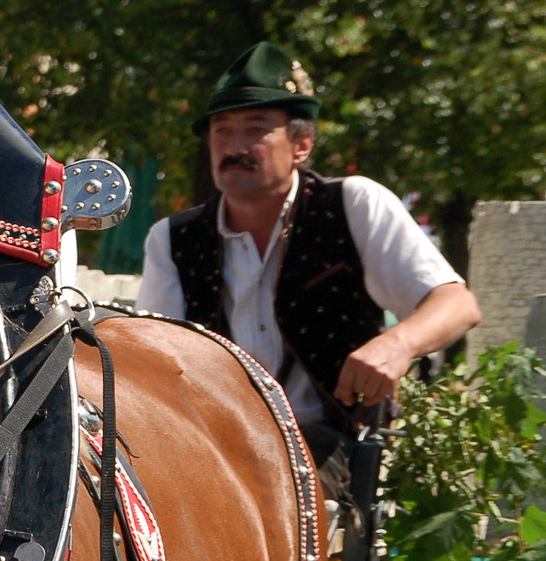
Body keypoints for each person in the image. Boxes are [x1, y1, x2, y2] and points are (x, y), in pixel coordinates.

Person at [135, 43, 481, 473]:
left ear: (301, 145)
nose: (233, 145)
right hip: (217, 457)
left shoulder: (353, 204)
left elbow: (457, 304)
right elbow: (151, 364)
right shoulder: (173, 238)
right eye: (222, 130)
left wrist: (397, 344)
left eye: (255, 128)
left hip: (336, 452)